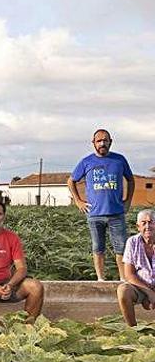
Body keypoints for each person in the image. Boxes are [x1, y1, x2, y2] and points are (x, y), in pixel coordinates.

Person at [67, 129, 134, 281]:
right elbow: (71, 181)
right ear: (93, 143)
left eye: (105, 140)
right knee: (98, 248)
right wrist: (78, 201)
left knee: (121, 248)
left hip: (116, 213)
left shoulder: (119, 160)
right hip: (94, 214)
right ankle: (100, 279)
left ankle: (123, 280)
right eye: (99, 141)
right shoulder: (86, 162)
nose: (102, 143)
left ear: (111, 141)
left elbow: (130, 179)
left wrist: (128, 201)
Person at [116, 209, 155, 326]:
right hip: (141, 287)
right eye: (144, 223)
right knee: (123, 291)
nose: (147, 226)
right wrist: (149, 292)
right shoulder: (132, 242)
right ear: (138, 226)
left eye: (151, 222)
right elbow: (129, 274)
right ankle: (132, 328)